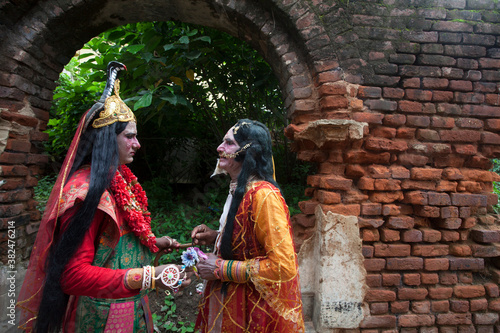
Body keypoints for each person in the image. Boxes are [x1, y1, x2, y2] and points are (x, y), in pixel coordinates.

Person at [17, 61, 190, 333]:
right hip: (100, 316)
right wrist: (150, 277)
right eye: (130, 136)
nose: (137, 144)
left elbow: (112, 240)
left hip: (132, 307)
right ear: (109, 138)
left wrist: (152, 242)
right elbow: (72, 275)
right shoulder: (85, 194)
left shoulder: (118, 179)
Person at [190, 119, 305, 332]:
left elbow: (283, 267)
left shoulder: (263, 196)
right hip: (231, 301)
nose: (219, 148)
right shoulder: (239, 189)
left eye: (228, 143)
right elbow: (247, 242)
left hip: (254, 311)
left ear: (248, 152)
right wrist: (217, 237)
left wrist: (223, 268)